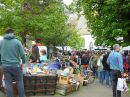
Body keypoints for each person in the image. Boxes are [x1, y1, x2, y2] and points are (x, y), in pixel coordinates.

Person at [0, 29, 25, 97]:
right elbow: (22, 54)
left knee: (8, 83)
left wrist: (1, 64)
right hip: (15, 65)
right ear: (13, 33)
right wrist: (23, 62)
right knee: (19, 82)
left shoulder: (1, 42)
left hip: (5, 65)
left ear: (5, 34)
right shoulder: (17, 42)